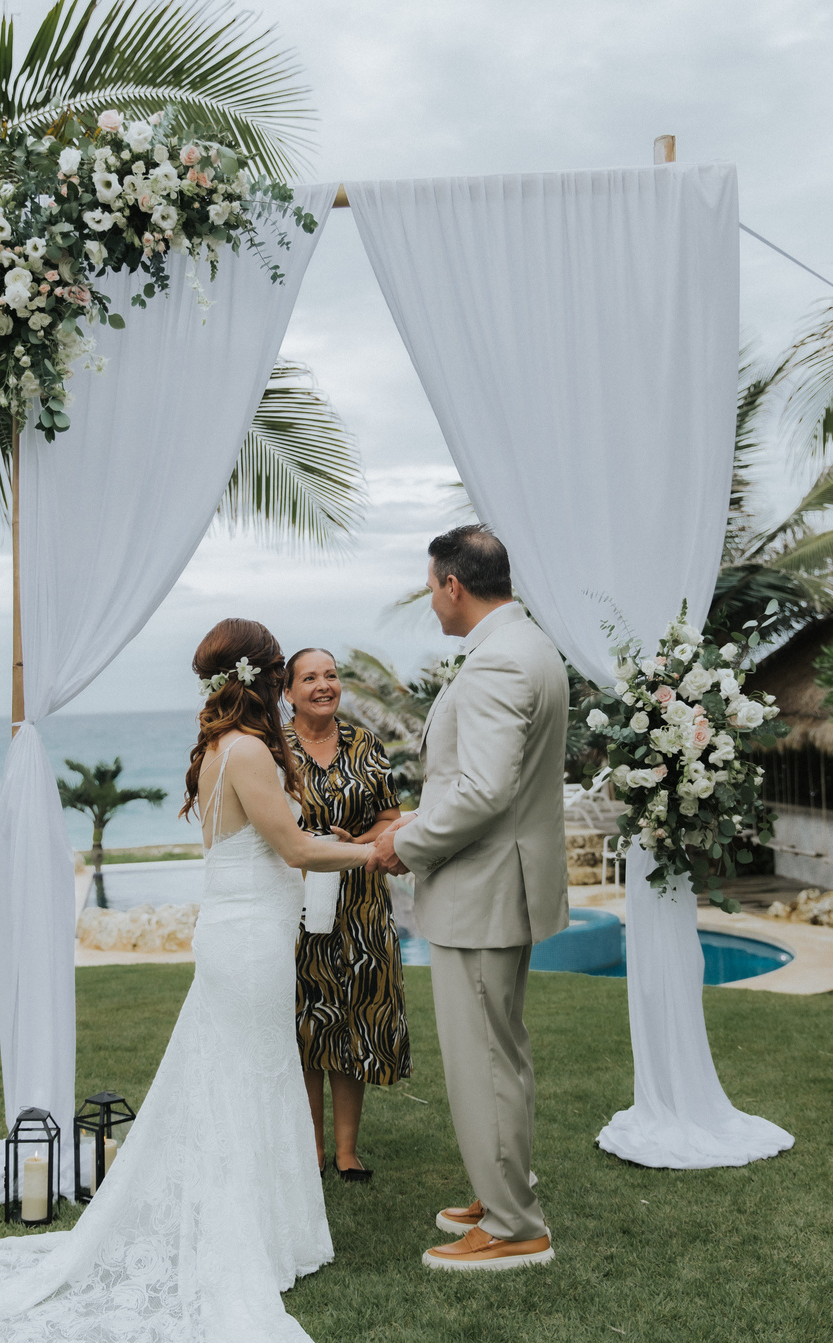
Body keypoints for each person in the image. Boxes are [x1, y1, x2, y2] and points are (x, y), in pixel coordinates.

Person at [0, 618, 374, 1343]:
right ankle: (249, 1240)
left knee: (247, 1075)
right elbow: (292, 844)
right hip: (248, 941)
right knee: (246, 1079)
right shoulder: (249, 753)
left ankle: (271, 1231)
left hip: (244, 935)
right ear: (265, 679)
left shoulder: (216, 749)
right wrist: (372, 852)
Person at [368, 526, 568, 1273]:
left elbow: (484, 790)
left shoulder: (496, 664)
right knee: (502, 1052)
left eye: (431, 585)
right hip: (504, 881)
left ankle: (516, 1226)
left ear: (454, 583)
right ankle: (501, 1187)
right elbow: (492, 786)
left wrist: (405, 844)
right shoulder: (532, 647)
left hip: (482, 889)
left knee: (481, 1058)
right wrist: (424, 816)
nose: (430, 598)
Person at [283, 647, 412, 1182]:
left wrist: (352, 843)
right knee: (308, 1022)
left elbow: (392, 819)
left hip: (361, 901)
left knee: (355, 1020)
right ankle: (309, 1147)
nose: (323, 685)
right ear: (287, 691)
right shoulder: (274, 749)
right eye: (309, 677)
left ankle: (346, 1150)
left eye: (331, 675)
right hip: (297, 901)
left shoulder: (365, 744)